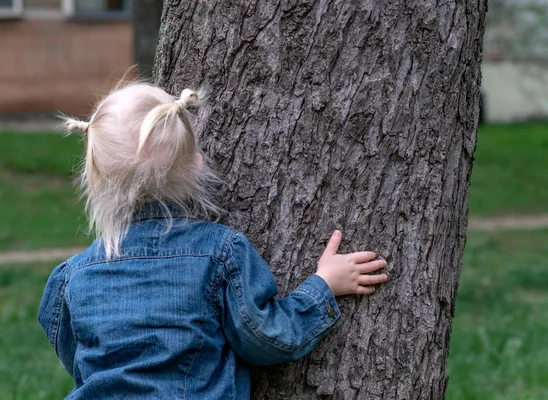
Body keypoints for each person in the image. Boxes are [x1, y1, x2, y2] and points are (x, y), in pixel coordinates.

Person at [38, 80, 389, 399]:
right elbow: (266, 338)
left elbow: (77, 359)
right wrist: (323, 286)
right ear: (196, 165)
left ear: (95, 179)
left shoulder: (72, 277)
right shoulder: (220, 254)